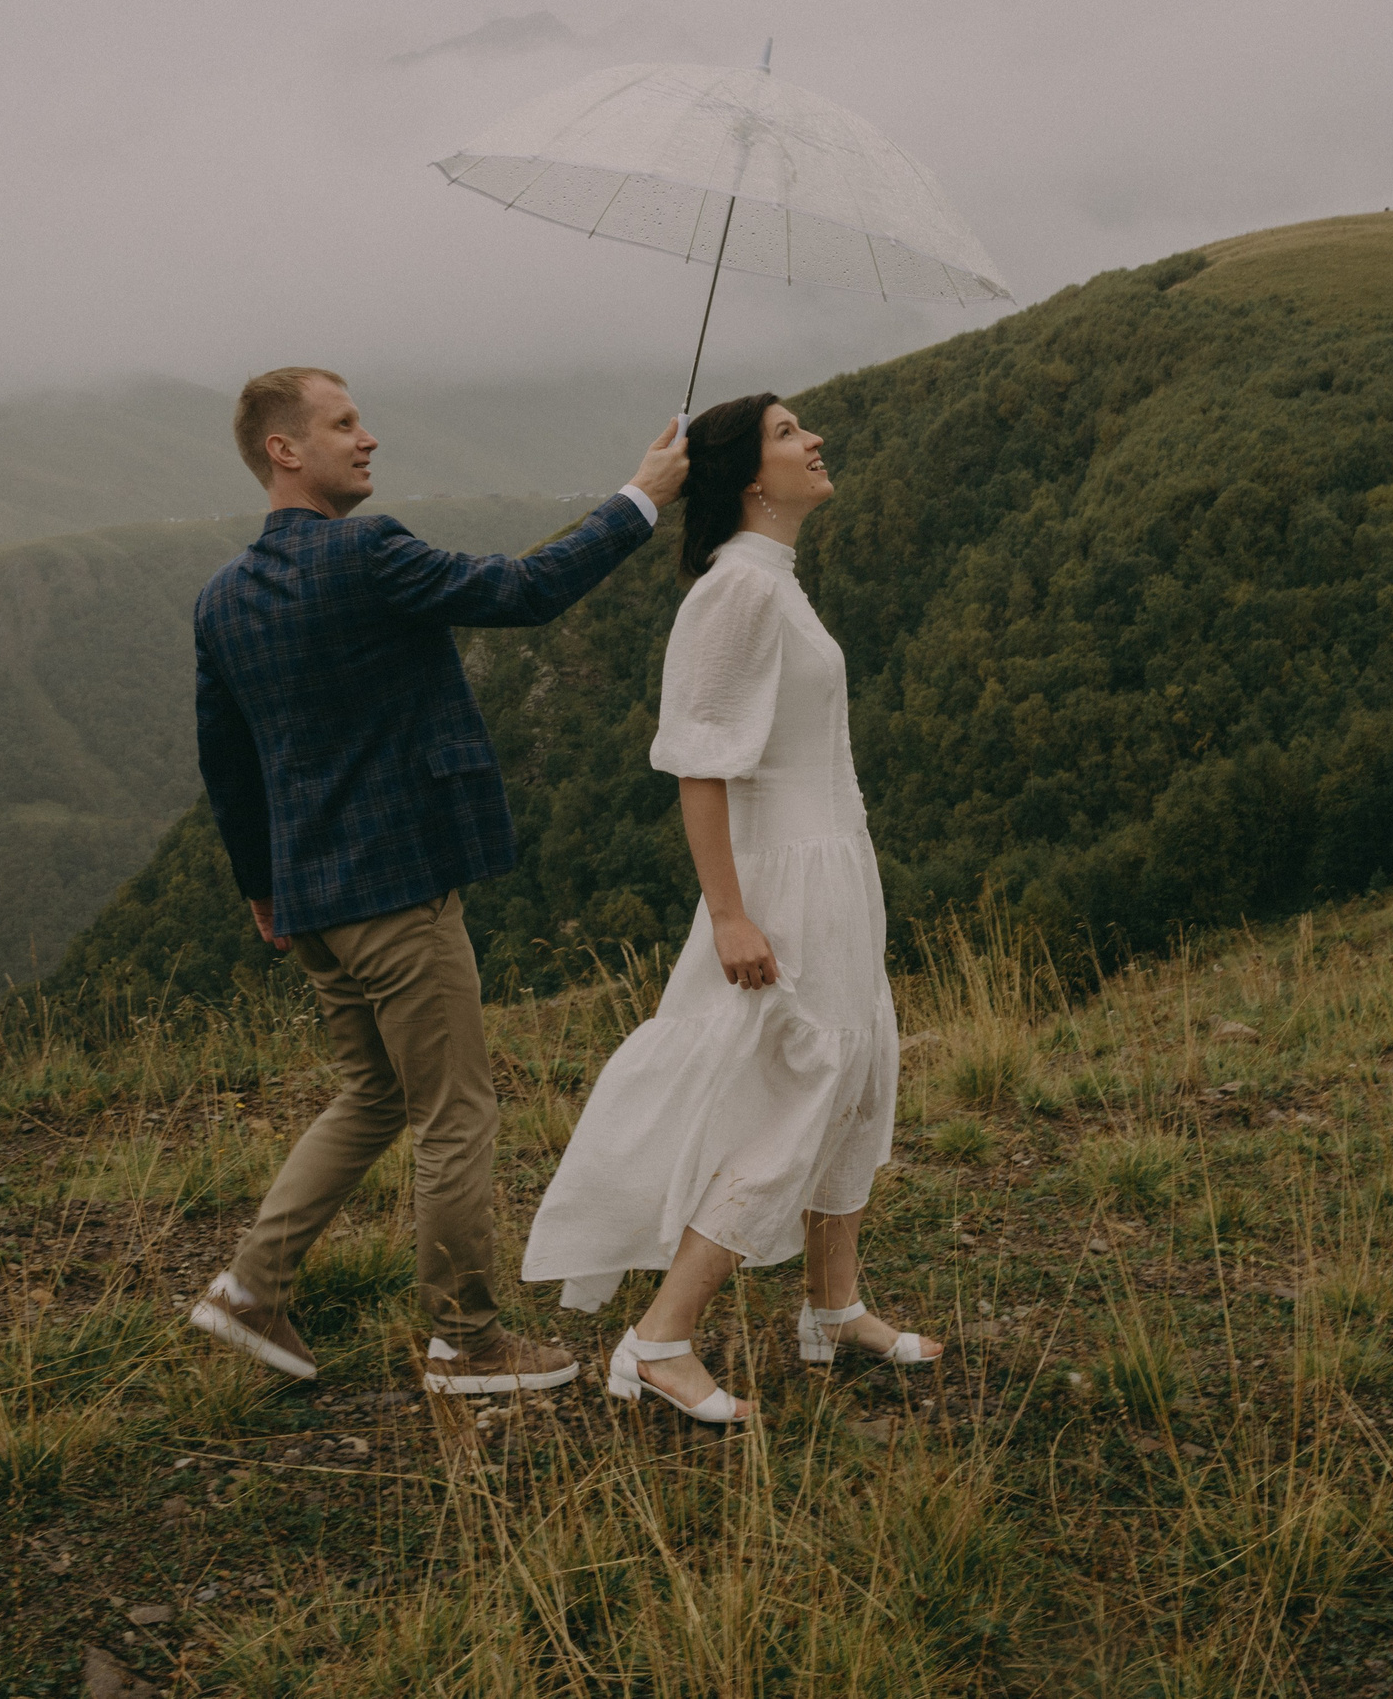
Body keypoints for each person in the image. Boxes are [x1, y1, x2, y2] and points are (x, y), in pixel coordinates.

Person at [187, 366, 687, 1397]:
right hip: (399, 891)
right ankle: (467, 1340)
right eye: (343, 424)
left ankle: (248, 1288)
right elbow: (524, 590)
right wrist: (642, 497)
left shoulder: (222, 598)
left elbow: (225, 760)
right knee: (455, 1113)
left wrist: (263, 886)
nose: (367, 439)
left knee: (371, 1092)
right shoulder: (369, 552)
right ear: (284, 449)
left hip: (314, 900)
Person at [521, 392, 940, 1424]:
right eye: (790, 431)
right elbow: (697, 768)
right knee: (793, 1088)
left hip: (834, 861)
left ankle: (832, 1306)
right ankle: (660, 1337)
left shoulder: (776, 583)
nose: (815, 440)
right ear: (750, 477)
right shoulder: (736, 593)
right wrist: (730, 913)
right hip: (778, 879)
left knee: (852, 1071)